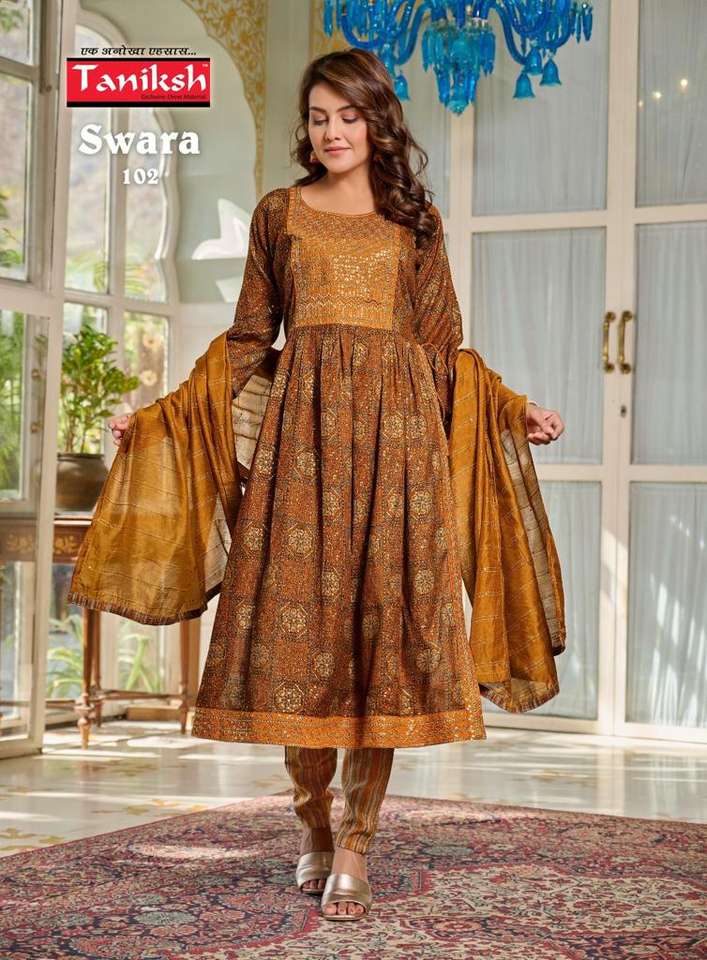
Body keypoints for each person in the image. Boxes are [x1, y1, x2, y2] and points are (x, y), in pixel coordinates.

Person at [107, 48, 565, 921]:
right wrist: (164, 415)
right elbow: (249, 340)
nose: (331, 132)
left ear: (376, 121)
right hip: (302, 463)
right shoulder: (279, 214)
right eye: (318, 118)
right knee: (300, 648)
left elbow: (443, 354)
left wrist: (512, 410)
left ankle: (357, 839)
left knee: (377, 651)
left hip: (399, 465)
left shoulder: (413, 222)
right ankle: (311, 819)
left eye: (347, 116)